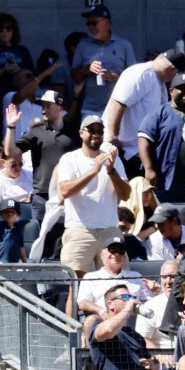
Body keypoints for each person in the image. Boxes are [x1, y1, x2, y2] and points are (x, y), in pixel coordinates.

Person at [57, 115, 131, 277]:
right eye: (91, 130)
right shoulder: (70, 159)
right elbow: (64, 191)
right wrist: (94, 171)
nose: (96, 134)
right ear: (81, 133)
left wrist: (111, 172)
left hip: (109, 230)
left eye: (100, 131)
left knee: (116, 283)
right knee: (75, 286)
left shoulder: (113, 159)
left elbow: (125, 194)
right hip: (80, 230)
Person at [102, 50, 185, 178]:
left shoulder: (160, 84)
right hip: (118, 152)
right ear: (172, 69)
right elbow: (117, 103)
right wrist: (113, 137)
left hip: (136, 154)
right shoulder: (141, 73)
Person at [5, 92, 75, 220]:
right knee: (39, 237)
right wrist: (11, 127)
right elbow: (11, 153)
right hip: (42, 195)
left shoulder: (74, 132)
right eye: (42, 106)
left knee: (65, 237)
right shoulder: (35, 131)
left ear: (60, 108)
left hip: (67, 192)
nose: (44, 110)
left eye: (48, 106)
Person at [138, 73, 185, 204]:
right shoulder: (159, 113)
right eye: (182, 88)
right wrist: (149, 168)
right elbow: (143, 138)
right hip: (164, 180)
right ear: (171, 91)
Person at [71, 4, 136, 119]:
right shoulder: (83, 45)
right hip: (91, 109)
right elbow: (74, 77)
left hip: (119, 108)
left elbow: (135, 78)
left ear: (107, 22)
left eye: (94, 23)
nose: (91, 27)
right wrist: (87, 69)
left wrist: (113, 77)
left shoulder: (124, 45)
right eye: (88, 24)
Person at [75, 238, 156, 315]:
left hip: (132, 321)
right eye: (112, 250)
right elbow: (82, 303)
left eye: (120, 251)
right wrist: (102, 311)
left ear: (124, 257)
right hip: (103, 321)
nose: (116, 254)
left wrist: (156, 292)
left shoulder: (136, 276)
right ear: (102, 254)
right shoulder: (90, 277)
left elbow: (148, 301)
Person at [136, 260, 178, 349]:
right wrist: (160, 357)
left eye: (173, 276)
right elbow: (143, 338)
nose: (168, 281)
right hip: (164, 357)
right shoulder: (150, 306)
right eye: (164, 277)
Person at [0, 199, 26, 264]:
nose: (10, 214)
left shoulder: (19, 229)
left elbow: (21, 247)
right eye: (6, 212)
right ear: (1, 214)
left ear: (17, 215)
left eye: (13, 212)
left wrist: (25, 263)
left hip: (13, 264)